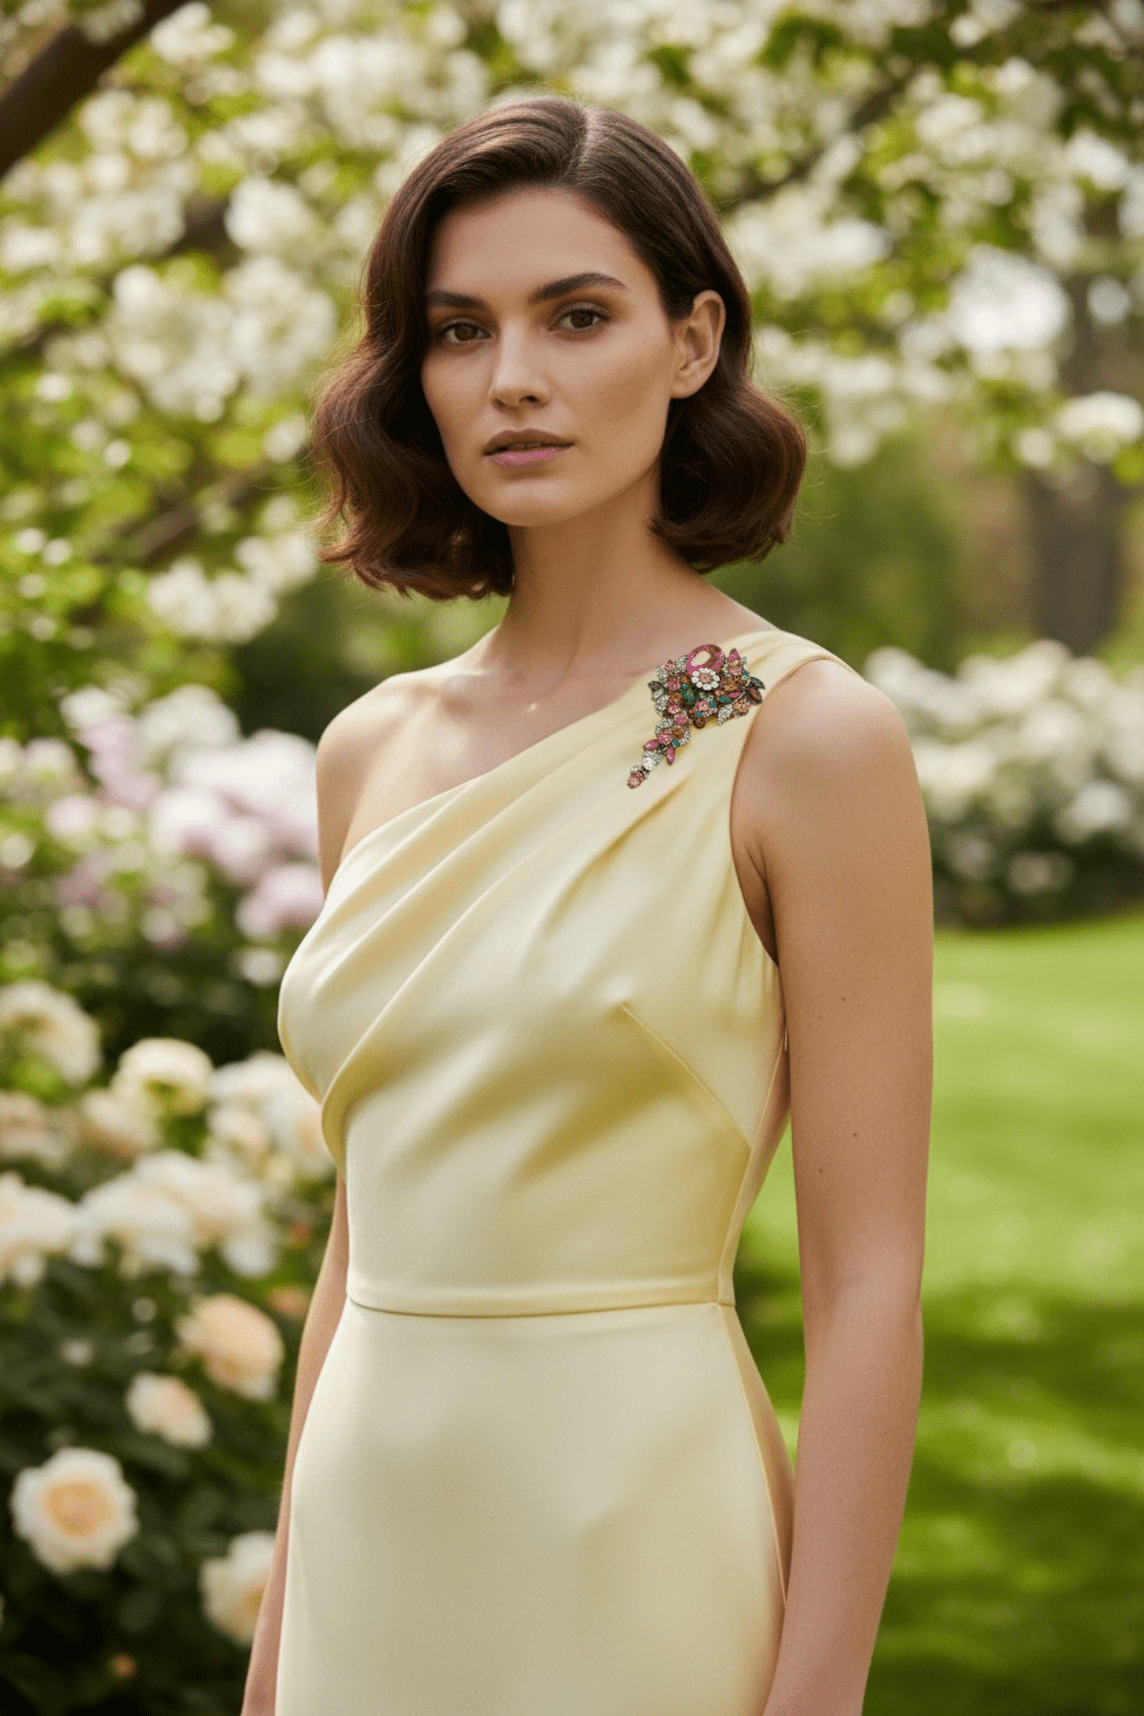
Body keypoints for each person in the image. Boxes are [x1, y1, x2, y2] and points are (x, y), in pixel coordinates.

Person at [242, 96, 932, 1716]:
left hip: (634, 1524)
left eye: (578, 316)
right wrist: (277, 1653)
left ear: (692, 343)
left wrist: (817, 1696)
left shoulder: (807, 739)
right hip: (369, 1528)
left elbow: (869, 1282)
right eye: (459, 331)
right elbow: (363, 1234)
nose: (514, 380)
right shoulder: (372, 750)